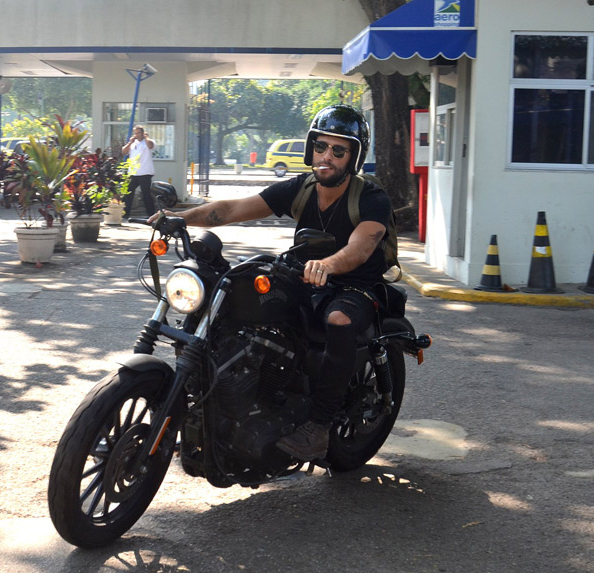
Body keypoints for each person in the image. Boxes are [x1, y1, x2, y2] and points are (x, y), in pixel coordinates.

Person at [150, 105, 392, 461]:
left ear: (353, 157)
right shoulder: (301, 188)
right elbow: (232, 209)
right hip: (304, 275)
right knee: (241, 301)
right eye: (321, 147)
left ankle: (319, 426)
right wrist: (179, 218)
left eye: (338, 151)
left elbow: (362, 245)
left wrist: (328, 264)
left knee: (338, 320)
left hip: (354, 285)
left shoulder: (371, 198)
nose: (327, 157)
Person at [122, 125, 156, 217]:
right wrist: (130, 142)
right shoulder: (133, 144)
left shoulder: (148, 141)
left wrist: (146, 137)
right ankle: (125, 213)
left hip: (145, 172)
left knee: (146, 194)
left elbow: (151, 146)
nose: (137, 135)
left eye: (139, 133)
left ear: (143, 133)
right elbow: (124, 152)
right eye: (135, 133)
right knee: (128, 192)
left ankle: (151, 214)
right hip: (133, 172)